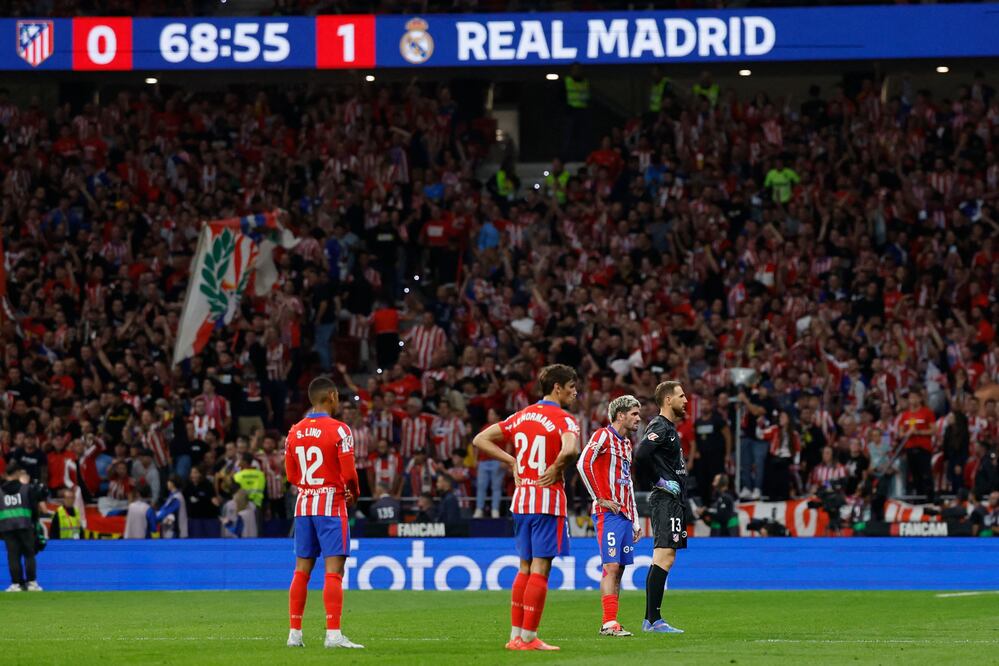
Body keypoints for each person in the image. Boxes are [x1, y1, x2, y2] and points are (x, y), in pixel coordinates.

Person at [473, 364, 580, 651]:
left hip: (521, 500)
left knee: (524, 567)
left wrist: (512, 461)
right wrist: (557, 467)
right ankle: (530, 638)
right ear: (557, 387)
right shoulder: (564, 418)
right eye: (571, 387)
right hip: (547, 500)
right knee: (541, 568)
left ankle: (515, 636)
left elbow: (479, 439)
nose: (575, 393)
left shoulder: (521, 415)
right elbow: (571, 449)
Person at [284, 376, 363, 650]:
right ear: (331, 395)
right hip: (330, 503)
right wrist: (354, 492)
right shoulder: (340, 430)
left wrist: (309, 487)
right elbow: (350, 473)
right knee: (334, 571)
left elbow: (291, 475)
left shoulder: (294, 431)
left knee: (301, 570)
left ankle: (295, 633)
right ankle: (333, 634)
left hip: (304, 504)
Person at [576, 394, 642, 637]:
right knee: (611, 566)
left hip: (624, 515)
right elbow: (583, 463)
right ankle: (608, 622)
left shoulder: (626, 444)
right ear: (620, 415)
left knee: (620, 569)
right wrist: (599, 498)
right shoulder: (603, 435)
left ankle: (611, 621)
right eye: (634, 413)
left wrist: (635, 520)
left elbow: (629, 484)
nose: (638, 418)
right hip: (607, 513)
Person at [634, 380, 689, 634]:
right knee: (663, 556)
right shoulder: (660, 426)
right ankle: (653, 620)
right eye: (681, 396)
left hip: (673, 501)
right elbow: (641, 454)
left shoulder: (669, 429)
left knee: (665, 556)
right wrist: (660, 481)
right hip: (665, 499)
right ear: (668, 400)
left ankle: (651, 619)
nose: (685, 400)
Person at [1, 464, 44, 591]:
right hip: (25, 525)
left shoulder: (0, 491)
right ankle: (32, 583)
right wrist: (35, 521)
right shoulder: (26, 489)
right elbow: (34, 508)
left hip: (7, 527)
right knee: (29, 554)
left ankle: (16, 584)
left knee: (13, 556)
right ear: (17, 473)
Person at [896, 390, 935, 501]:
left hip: (923, 448)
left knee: (926, 475)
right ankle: (918, 499)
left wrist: (918, 432)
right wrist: (907, 433)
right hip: (910, 448)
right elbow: (900, 433)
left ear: (920, 399)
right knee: (914, 476)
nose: (912, 400)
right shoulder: (905, 415)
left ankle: (929, 499)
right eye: (911, 398)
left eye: (915, 397)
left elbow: (933, 430)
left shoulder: (927, 412)